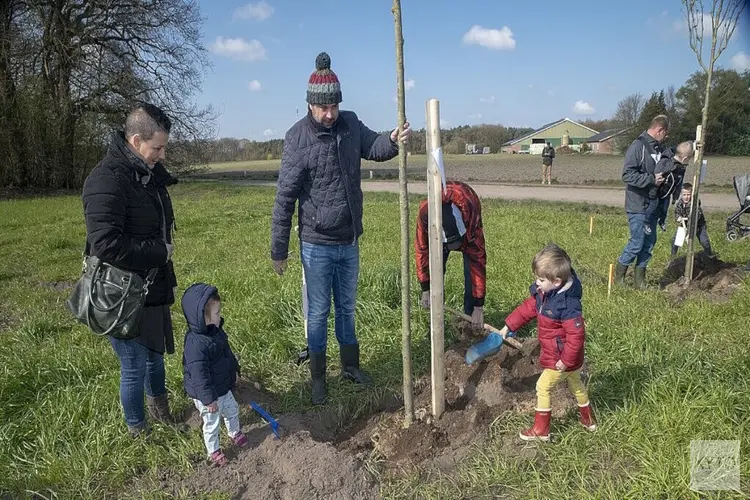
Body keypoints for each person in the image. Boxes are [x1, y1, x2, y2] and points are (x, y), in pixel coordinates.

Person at [270, 52, 411, 405]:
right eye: (324, 108)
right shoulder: (296, 139)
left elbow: (374, 147)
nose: (330, 113)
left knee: (347, 307)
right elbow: (285, 197)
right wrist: (279, 250)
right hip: (316, 243)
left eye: (334, 105)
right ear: (310, 105)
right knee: (318, 312)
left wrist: (392, 138)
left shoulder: (349, 126)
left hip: (348, 240)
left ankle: (351, 366)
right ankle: (319, 377)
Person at [82, 103, 179, 436]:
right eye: (158, 148)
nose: (162, 154)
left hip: (150, 285)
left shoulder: (147, 174)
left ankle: (161, 413)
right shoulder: (104, 180)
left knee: (155, 354)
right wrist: (158, 251)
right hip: (119, 294)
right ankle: (139, 431)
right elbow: (105, 244)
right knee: (134, 365)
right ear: (137, 141)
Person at [497, 243, 596, 441]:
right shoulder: (546, 295)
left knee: (542, 387)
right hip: (568, 359)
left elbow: (576, 337)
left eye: (541, 279)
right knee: (576, 385)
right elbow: (527, 309)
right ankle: (589, 421)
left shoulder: (567, 305)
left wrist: (565, 360)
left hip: (562, 358)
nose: (537, 282)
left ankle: (541, 430)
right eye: (537, 278)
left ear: (557, 281)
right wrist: (509, 325)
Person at [181, 283, 246, 467]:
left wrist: (234, 372)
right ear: (203, 317)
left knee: (232, 410)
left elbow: (227, 354)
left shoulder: (217, 333)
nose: (220, 317)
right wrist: (208, 400)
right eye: (216, 314)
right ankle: (214, 451)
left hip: (223, 387)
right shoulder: (196, 346)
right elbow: (199, 376)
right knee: (212, 424)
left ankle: (235, 433)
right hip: (208, 396)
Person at [415, 180, 486, 328]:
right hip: (437, 231)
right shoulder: (425, 216)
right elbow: (422, 251)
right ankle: (436, 318)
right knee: (436, 268)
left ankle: (470, 317)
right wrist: (426, 289)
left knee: (470, 270)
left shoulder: (470, 217)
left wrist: (479, 305)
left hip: (468, 205)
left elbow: (477, 263)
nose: (455, 248)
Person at [614, 115, 670, 289]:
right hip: (637, 204)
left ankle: (640, 281)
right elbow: (627, 175)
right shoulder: (637, 147)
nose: (666, 137)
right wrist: (651, 179)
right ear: (659, 130)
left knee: (649, 243)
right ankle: (619, 279)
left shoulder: (659, 148)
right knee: (637, 242)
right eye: (665, 133)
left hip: (653, 204)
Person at [643, 141, 693, 234]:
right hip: (656, 192)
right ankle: (645, 222)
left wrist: (675, 196)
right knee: (652, 207)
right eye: (688, 160)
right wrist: (652, 193)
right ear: (685, 158)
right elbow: (656, 176)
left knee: (665, 209)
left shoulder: (681, 168)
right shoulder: (665, 163)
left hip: (667, 193)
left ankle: (662, 221)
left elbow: (678, 183)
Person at [671, 183, 715, 259]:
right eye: (684, 195)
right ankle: (673, 257)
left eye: (688, 195)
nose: (686, 197)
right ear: (681, 195)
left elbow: (694, 220)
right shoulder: (680, 204)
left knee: (704, 242)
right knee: (676, 241)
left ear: (692, 195)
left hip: (698, 226)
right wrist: (678, 218)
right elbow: (677, 212)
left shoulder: (695, 206)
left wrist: (688, 234)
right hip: (684, 224)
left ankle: (709, 255)